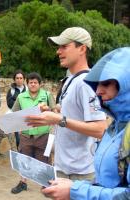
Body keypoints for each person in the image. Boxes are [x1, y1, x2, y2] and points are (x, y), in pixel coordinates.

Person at [41, 47, 130, 200]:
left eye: (106, 83)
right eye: (97, 85)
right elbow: (108, 182)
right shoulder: (116, 125)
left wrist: (75, 191)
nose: (98, 91)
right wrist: (77, 186)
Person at [25, 27, 107, 181]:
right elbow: (71, 115)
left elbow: (100, 129)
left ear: (82, 49)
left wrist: (58, 119)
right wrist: (51, 112)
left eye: (64, 46)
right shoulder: (71, 80)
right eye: (58, 47)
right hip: (63, 167)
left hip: (80, 173)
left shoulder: (87, 82)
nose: (58, 52)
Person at [11, 72, 56, 194]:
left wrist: (49, 110)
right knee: (24, 159)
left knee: (44, 161)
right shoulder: (21, 97)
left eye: (35, 82)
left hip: (43, 134)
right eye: (30, 82)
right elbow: (14, 113)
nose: (33, 84)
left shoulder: (47, 95)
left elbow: (55, 111)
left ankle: (47, 184)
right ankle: (23, 182)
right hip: (26, 134)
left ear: (40, 84)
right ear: (27, 83)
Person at [6, 70, 28, 148]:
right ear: (14, 79)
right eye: (17, 78)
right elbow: (9, 104)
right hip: (16, 116)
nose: (19, 80)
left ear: (24, 79)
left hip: (26, 116)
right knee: (18, 139)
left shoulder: (28, 90)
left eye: (21, 78)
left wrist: (17, 102)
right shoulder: (11, 90)